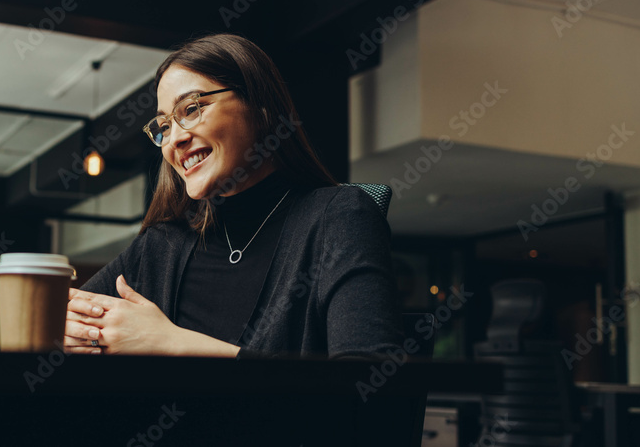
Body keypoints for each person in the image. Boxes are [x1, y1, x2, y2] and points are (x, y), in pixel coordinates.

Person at [64, 34, 402, 359]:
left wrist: (172, 343)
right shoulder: (162, 245)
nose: (173, 140)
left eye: (191, 108)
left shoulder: (341, 218)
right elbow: (65, 320)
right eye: (164, 126)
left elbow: (367, 393)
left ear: (260, 107)